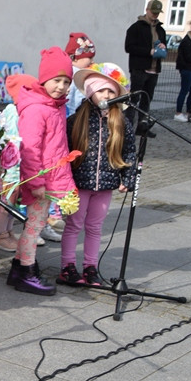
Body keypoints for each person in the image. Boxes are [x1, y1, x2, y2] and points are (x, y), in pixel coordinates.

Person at [6, 47, 76, 296]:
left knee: (35, 225)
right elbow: (30, 148)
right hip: (39, 179)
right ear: (44, 79)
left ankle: (18, 268)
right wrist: (36, 181)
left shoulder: (54, 105)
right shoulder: (37, 108)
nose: (61, 86)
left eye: (66, 82)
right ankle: (26, 272)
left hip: (50, 177)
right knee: (33, 228)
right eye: (56, 80)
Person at [57, 64, 135, 288]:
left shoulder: (120, 121)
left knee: (95, 227)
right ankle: (67, 267)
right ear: (91, 92)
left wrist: (126, 177)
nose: (107, 95)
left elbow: (129, 150)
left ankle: (90, 267)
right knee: (73, 225)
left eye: (111, 91)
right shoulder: (76, 120)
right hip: (80, 183)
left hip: (106, 184)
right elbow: (65, 150)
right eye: (102, 91)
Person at [124, 0, 168, 137]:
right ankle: (128, 127)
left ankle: (142, 127)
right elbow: (129, 47)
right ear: (147, 10)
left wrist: (162, 47)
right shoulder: (136, 27)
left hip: (154, 69)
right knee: (134, 99)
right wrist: (148, 51)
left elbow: (163, 44)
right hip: (139, 68)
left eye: (157, 13)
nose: (155, 15)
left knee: (147, 100)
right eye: (153, 12)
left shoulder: (160, 29)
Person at [174, 18, 191, 122]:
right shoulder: (187, 41)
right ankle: (178, 112)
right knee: (184, 90)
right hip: (187, 69)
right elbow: (188, 57)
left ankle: (189, 112)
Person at [64, 32, 96, 117]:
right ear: (75, 59)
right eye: (89, 58)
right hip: (73, 117)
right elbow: (68, 101)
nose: (92, 61)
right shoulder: (72, 75)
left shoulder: (81, 73)